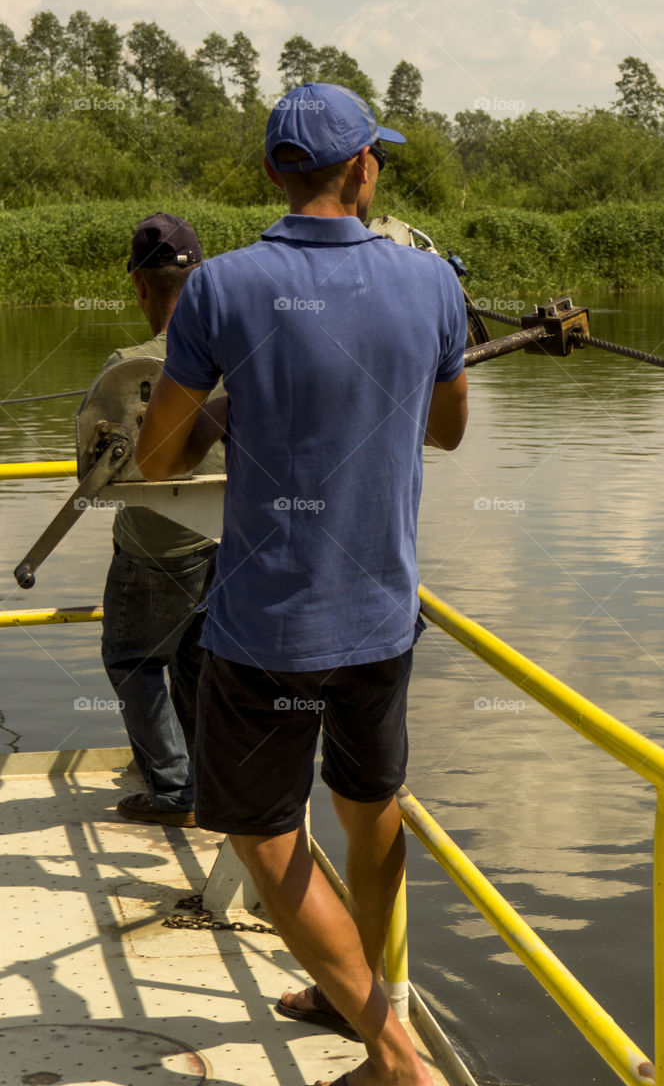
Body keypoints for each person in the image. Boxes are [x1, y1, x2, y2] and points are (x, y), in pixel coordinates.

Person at [136, 82, 468, 1086]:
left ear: (274, 172)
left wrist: (227, 407)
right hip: (382, 614)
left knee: (262, 831)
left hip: (266, 627)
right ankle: (368, 994)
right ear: (362, 166)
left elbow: (156, 458)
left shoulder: (221, 288)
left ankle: (391, 1055)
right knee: (369, 803)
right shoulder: (432, 282)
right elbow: (447, 430)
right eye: (378, 156)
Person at [100, 213, 224, 827]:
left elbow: (98, 468)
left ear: (138, 285)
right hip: (227, 540)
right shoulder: (238, 353)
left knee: (134, 661)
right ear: (201, 279)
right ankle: (202, 779)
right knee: (198, 660)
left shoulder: (128, 366)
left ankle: (174, 792)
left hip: (157, 548)